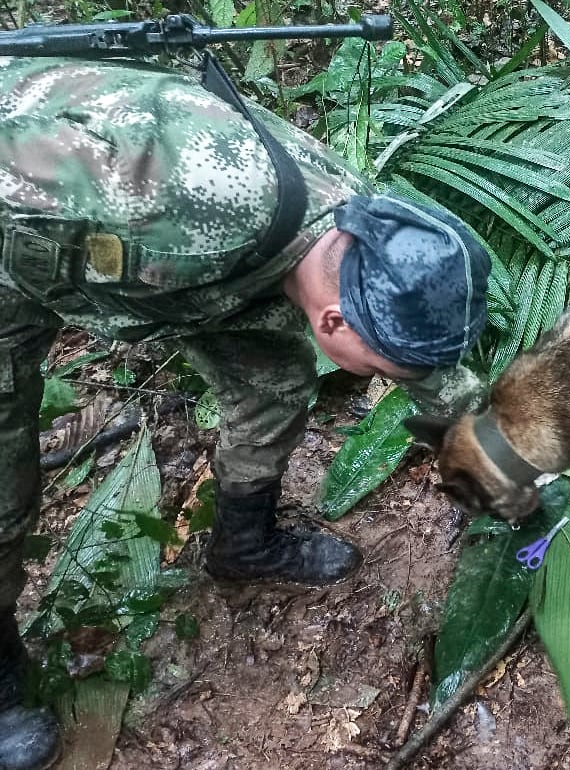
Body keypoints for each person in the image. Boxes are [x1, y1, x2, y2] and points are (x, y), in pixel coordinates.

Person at [0, 55, 491, 770]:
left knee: (274, 385)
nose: (388, 381)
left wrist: (503, 451)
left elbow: (429, 371)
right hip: (20, 237)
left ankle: (243, 544)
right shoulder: (176, 203)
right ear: (333, 324)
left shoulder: (360, 233)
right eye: (381, 371)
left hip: (177, 272)